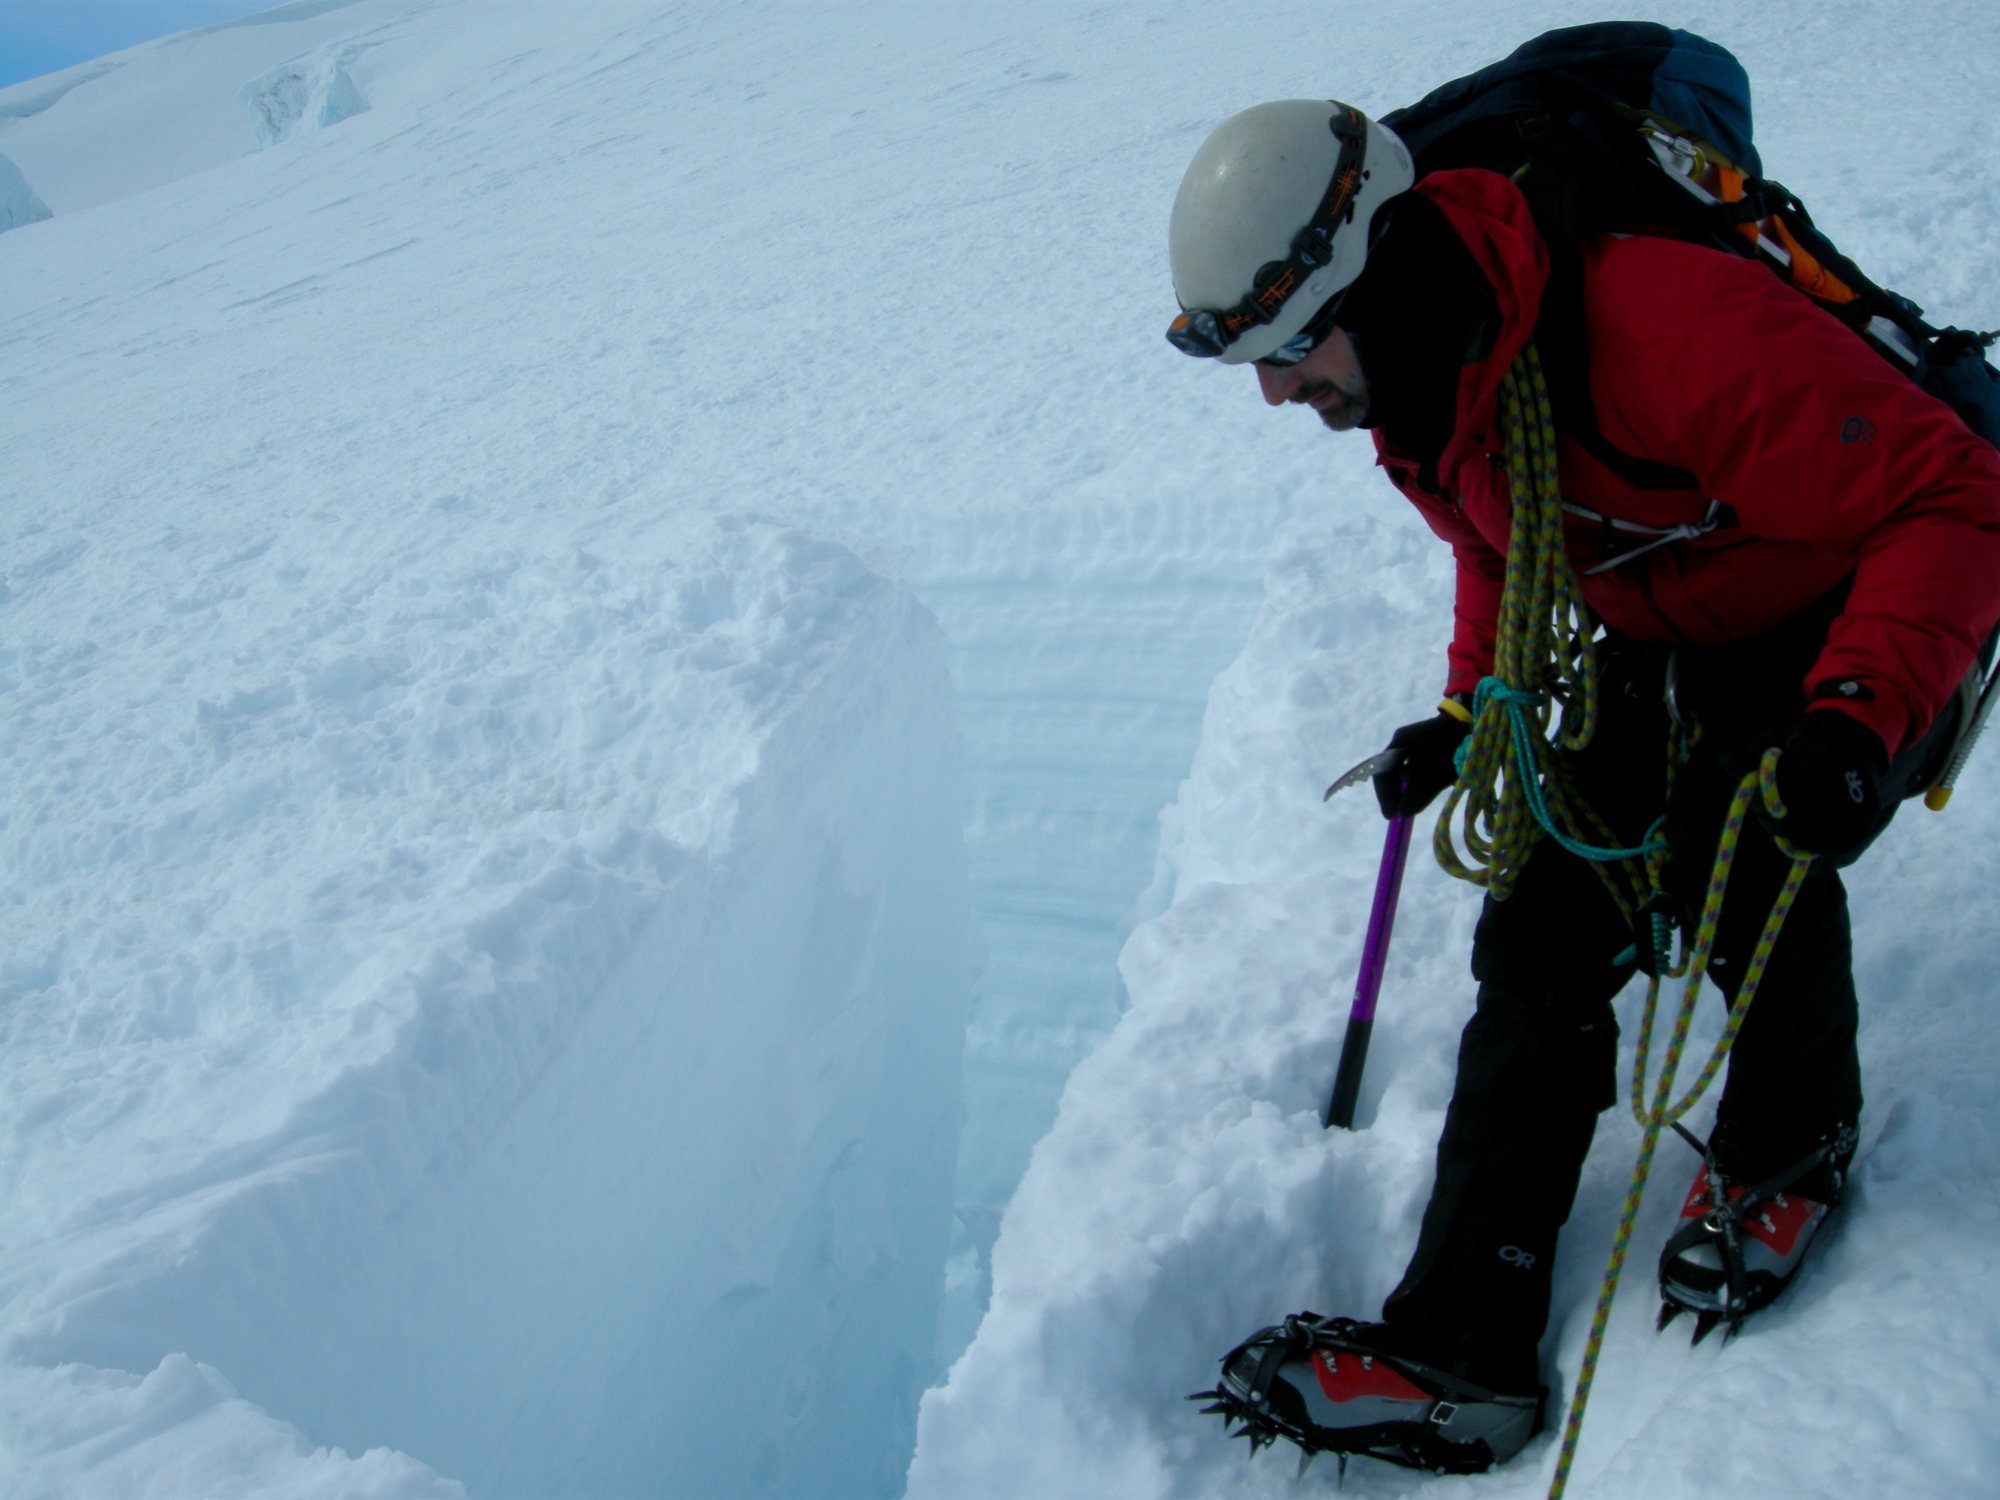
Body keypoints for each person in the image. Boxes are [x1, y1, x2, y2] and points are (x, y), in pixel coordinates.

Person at [1168, 98, 2000, 1474]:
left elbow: (1960, 499)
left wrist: (1859, 720)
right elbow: (1503, 538)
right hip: (1666, 614)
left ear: (1374, 278)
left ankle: (1788, 1146)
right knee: (1543, 929)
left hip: (1841, 597)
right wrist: (1460, 706)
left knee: (1752, 828)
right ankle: (1461, 1347)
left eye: (1288, 347)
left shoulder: (1671, 334)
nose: (1276, 392)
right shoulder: (1429, 388)